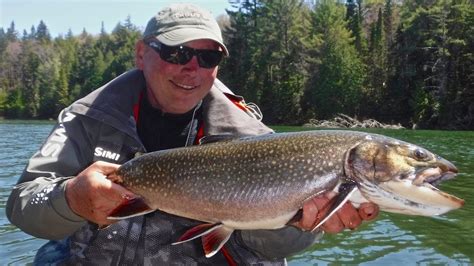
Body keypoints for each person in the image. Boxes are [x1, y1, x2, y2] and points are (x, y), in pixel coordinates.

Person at [6, 3, 379, 265]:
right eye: (177, 52)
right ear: (141, 54)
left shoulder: (255, 139)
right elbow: (24, 205)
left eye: (208, 58)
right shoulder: (88, 119)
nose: (192, 69)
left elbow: (273, 249)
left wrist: (301, 223)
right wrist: (72, 199)